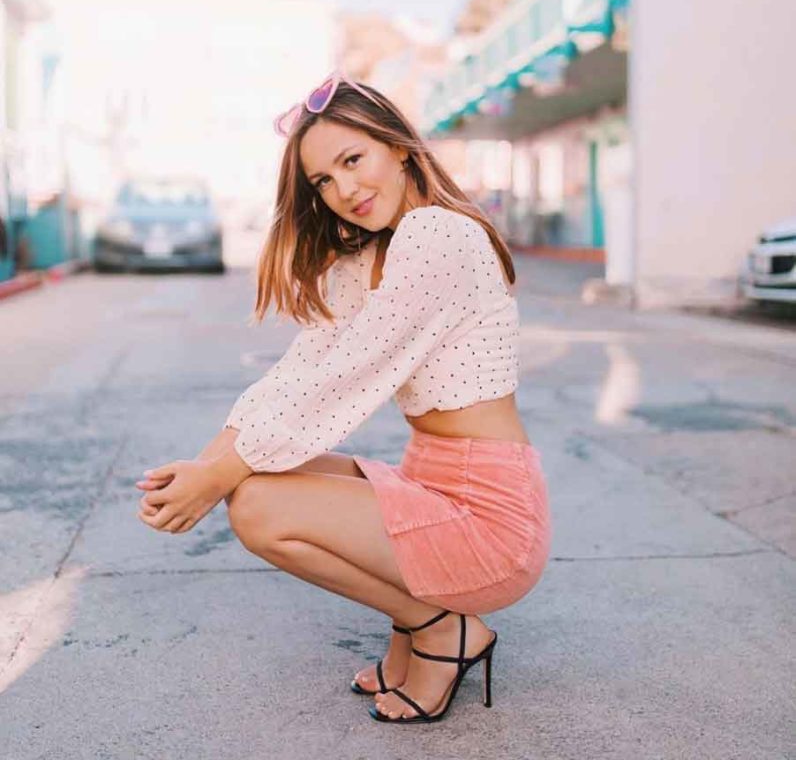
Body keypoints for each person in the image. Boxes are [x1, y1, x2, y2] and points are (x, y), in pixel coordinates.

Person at [136, 70, 551, 724]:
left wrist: (215, 477)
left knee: (259, 507)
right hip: (436, 484)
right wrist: (207, 462)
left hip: (489, 518)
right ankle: (422, 623)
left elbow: (344, 379)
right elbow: (304, 369)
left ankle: (440, 628)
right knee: (259, 479)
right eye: (323, 181)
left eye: (352, 160)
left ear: (399, 146)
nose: (343, 190)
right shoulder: (373, 255)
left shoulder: (437, 235)